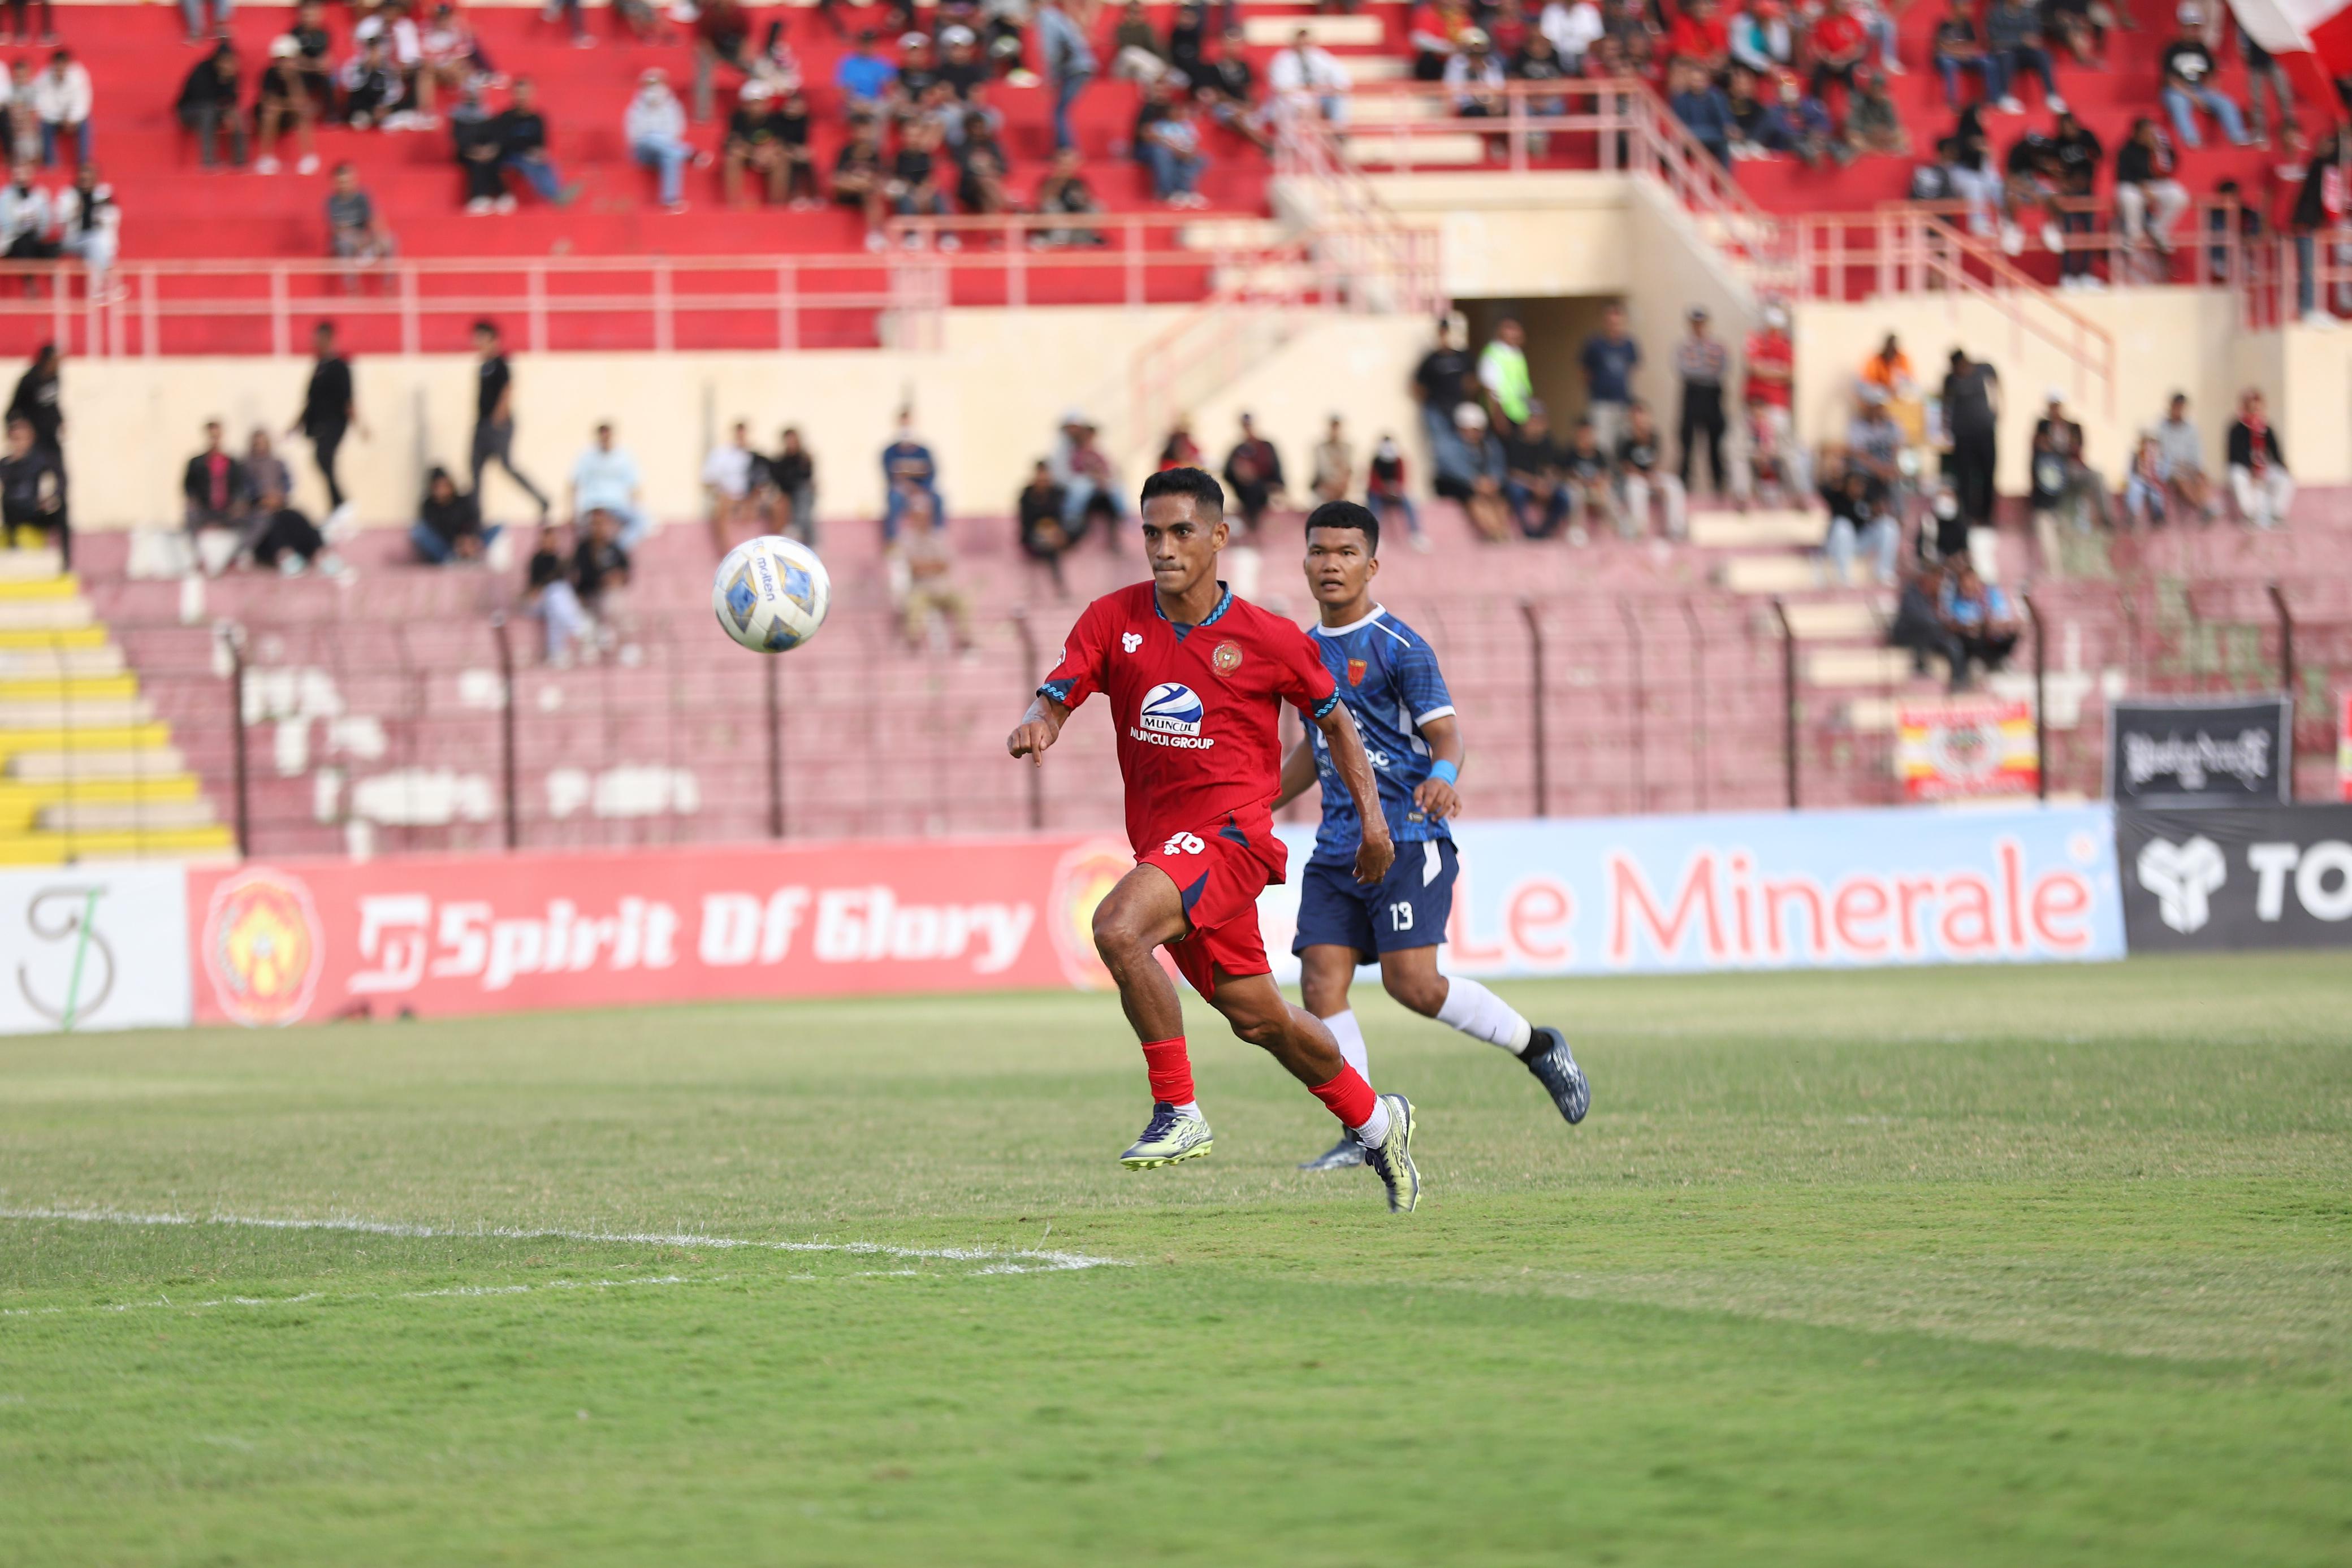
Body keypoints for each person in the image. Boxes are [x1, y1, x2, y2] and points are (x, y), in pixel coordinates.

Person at [1007, 467, 1423, 1211]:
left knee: (1116, 925)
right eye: (1151, 533)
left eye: (1180, 532)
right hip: (1167, 849)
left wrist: (1374, 822)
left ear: (1219, 537)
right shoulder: (1112, 618)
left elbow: (1335, 723)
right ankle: (1375, 1120)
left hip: (1231, 839)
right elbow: (1062, 685)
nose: (1163, 548)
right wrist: (1044, 720)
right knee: (1261, 1018)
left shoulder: (1270, 637)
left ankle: (1179, 1110)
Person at [1271, 500, 1589, 1173]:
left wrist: (1442, 776)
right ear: (1304, 561)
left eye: (1346, 552)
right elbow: (1313, 748)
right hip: (1335, 845)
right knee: (1319, 982)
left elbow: (1446, 732)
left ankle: (1536, 1044)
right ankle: (1365, 1129)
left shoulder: (1399, 647)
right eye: (1318, 551)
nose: (1330, 563)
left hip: (1409, 836)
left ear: (1371, 564)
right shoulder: (1298, 652)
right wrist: (1259, 801)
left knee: (1411, 985)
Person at [468, 320, 548, 519]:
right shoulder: (484, 366)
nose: (477, 342)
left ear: (492, 339)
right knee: (475, 468)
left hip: (497, 425)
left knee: (507, 465)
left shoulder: (500, 363)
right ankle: (476, 515)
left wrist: (498, 417)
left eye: (481, 337)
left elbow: (507, 388)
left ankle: (541, 499)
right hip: (483, 424)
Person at [288, 322, 359, 527]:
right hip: (319, 424)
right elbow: (309, 401)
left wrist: (359, 424)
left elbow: (349, 399)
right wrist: (297, 425)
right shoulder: (319, 367)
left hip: (335, 423)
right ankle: (337, 506)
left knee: (324, 457)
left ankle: (341, 504)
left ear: (328, 338)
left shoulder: (340, 366)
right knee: (322, 461)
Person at [2158, 3, 2248, 150]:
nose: (2193, 31)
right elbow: (2171, 80)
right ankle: (2191, 139)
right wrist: (2194, 97)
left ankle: (2237, 136)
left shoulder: (2203, 49)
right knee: (2177, 102)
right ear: (2182, 27)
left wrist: (2210, 91)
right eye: (2190, 27)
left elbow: (2212, 75)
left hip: (2200, 89)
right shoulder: (2171, 49)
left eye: (2196, 27)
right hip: (2178, 90)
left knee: (2226, 103)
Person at [896, 491, 974, 652]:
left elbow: (945, 565)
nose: (922, 519)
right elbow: (915, 568)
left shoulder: (939, 536)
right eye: (918, 515)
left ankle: (965, 640)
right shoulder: (907, 538)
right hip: (922, 589)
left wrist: (927, 566)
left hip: (942, 588)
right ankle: (913, 641)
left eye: (925, 515)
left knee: (963, 600)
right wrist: (934, 566)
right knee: (914, 603)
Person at [494, 79, 580, 208]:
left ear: (532, 94)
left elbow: (541, 143)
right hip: (510, 157)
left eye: (525, 93)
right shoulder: (505, 118)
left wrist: (540, 152)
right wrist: (525, 150)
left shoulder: (538, 118)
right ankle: (555, 196)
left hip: (531, 155)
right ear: (513, 95)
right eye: (519, 93)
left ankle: (557, 193)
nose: (522, 97)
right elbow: (503, 142)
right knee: (528, 163)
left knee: (546, 161)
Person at [1433, 402, 1512, 542]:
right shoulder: (1448, 444)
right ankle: (1492, 531)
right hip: (1457, 484)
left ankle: (1501, 530)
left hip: (1484, 484)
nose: (1474, 433)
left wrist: (1493, 481)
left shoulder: (1489, 444)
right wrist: (1475, 482)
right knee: (1474, 498)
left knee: (1500, 498)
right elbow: (1452, 468)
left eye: (1477, 430)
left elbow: (1498, 465)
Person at [2115, 116, 2189, 263]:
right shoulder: (2126, 150)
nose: (2149, 134)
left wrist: (2159, 150)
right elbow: (2122, 175)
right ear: (2136, 133)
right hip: (2134, 187)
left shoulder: (2160, 145)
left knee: (2179, 195)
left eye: (2151, 131)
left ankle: (2158, 228)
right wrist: (2141, 185)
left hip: (2157, 185)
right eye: (2146, 132)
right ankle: (2133, 235)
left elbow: (2170, 166)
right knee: (2127, 197)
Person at [1672, 306, 1728, 498]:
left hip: (1712, 395)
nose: (1699, 327)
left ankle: (1719, 483)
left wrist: (1702, 371)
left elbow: (1722, 369)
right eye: (1695, 324)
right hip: (1693, 393)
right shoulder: (1684, 346)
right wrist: (1705, 371)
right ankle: (1684, 482)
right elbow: (1683, 370)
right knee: (1687, 439)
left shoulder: (1717, 346)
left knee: (1715, 441)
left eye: (1701, 323)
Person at [1942, 348, 1999, 529]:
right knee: (1964, 477)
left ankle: (1987, 516)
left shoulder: (1983, 369)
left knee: (1988, 474)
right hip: (1963, 436)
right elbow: (1945, 403)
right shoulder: (1951, 380)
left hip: (1985, 432)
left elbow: (1997, 383)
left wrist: (1998, 406)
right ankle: (1967, 516)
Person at [626, 68, 698, 213]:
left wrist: (663, 142)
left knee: (671, 155)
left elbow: (676, 131)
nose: (654, 88)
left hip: (667, 150)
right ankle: (688, 151)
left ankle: (670, 200)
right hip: (644, 152)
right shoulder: (636, 107)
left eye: (657, 83)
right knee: (652, 138)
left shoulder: (672, 106)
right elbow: (635, 138)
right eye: (650, 84)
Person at [568, 422, 649, 549]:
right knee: (581, 533)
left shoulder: (624, 456)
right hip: (593, 505)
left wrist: (635, 507)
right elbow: (574, 484)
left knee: (642, 522)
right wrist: (573, 511)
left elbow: (634, 486)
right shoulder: (587, 456)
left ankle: (616, 550)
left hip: (617, 506)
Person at [1938, 559, 2019, 683]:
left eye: (1972, 580)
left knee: (2011, 632)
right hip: (1966, 639)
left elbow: (2003, 617)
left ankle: (1996, 661)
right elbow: (1950, 621)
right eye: (1966, 581)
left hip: (1988, 636)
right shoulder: (1953, 597)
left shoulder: (1989, 595)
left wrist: (1990, 624)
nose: (1970, 584)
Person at [1822, 456, 1899, 585]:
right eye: (1855, 483)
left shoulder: (1867, 498)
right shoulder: (1837, 495)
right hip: (1836, 545)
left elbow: (1875, 514)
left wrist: (1877, 514)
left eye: (1862, 484)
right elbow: (1824, 488)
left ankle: (1884, 572)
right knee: (1843, 526)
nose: (1858, 487)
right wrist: (1835, 475)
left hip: (1859, 543)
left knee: (1889, 525)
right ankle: (1843, 576)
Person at [1615, 399, 1684, 539]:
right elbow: (1627, 468)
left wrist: (1655, 480)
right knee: (1635, 486)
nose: (1640, 421)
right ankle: (1638, 530)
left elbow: (1655, 463)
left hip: (1650, 477)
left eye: (1643, 417)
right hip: (1634, 479)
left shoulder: (1654, 437)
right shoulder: (1625, 440)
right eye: (1636, 418)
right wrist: (1646, 478)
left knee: (1673, 483)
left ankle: (1676, 529)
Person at [247, 480, 346, 578]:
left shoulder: (291, 514)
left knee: (301, 521)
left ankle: (322, 556)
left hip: (300, 550)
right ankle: (287, 558)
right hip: (270, 552)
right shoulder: (258, 518)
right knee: (274, 524)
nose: (273, 498)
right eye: (269, 496)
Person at [1887, 557, 1962, 685]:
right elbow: (1916, 617)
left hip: (1933, 634)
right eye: (1937, 578)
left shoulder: (1940, 595)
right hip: (1908, 634)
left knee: (1954, 645)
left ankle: (1958, 681)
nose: (1940, 582)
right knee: (1927, 627)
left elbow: (1946, 616)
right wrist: (1941, 623)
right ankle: (1920, 664)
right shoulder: (1911, 592)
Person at [1502, 401, 1570, 537]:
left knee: (1564, 496)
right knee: (1515, 491)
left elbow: (1553, 469)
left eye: (1539, 420)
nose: (1536, 424)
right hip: (1525, 484)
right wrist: (1535, 484)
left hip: (1542, 485)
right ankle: (1527, 531)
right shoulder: (1514, 442)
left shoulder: (1548, 442)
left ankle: (1545, 531)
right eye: (1532, 420)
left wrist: (1547, 484)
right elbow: (1512, 472)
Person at [2226, 388, 2292, 527]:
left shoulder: (2265, 427)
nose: (2254, 409)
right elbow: (2234, 454)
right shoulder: (2236, 428)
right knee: (2238, 478)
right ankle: (2250, 515)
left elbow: (2275, 451)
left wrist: (2282, 465)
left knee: (2284, 478)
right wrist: (2251, 470)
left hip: (2263, 468)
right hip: (2244, 468)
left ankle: (2276, 515)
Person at [1049, 409, 1122, 537]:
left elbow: (1108, 469)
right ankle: (1072, 518)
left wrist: (1100, 479)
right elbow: (1064, 475)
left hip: (1095, 486)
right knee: (1081, 487)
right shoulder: (1064, 449)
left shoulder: (1093, 449)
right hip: (1070, 488)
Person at [177, 42, 248, 168]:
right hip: (190, 111)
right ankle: (209, 161)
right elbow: (202, 98)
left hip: (217, 110)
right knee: (208, 112)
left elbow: (233, 99)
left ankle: (240, 161)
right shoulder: (202, 70)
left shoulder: (232, 74)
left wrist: (228, 112)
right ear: (218, 61)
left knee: (236, 114)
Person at [1579, 302, 1639, 452]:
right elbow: (1584, 371)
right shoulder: (1595, 345)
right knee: (1604, 444)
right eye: (1610, 321)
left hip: (1623, 402)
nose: (1614, 325)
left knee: (1624, 442)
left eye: (1617, 321)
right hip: (1601, 402)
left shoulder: (1629, 345)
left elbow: (1632, 370)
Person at [1037, 0, 1096, 153]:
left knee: (1059, 111)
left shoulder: (1046, 18)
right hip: (1079, 66)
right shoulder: (1057, 16)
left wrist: (1050, 77)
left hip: (1075, 69)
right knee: (1060, 109)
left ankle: (1067, 149)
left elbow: (1052, 52)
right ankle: (1062, 147)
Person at [1983, 0, 2062, 114]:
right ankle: (2005, 96)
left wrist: (2015, 40)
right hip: (2004, 54)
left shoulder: (2028, 13)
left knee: (2042, 55)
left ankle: (2051, 95)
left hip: (2024, 53)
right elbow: (1995, 40)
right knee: (2007, 55)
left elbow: (2034, 37)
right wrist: (2020, 40)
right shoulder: (1996, 13)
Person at [0, 414, 60, 559]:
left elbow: (57, 479)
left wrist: (50, 498)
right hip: (11, 515)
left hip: (31, 513)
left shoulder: (38, 462)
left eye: (23, 439)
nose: (19, 443)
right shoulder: (5, 464)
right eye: (15, 438)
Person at [411, 465, 500, 564]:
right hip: (449, 547)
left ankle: (475, 557)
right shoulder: (429, 506)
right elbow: (435, 531)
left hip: (469, 542)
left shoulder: (462, 501)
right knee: (419, 531)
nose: (441, 490)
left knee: (498, 528)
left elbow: (474, 521)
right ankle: (451, 560)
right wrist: (457, 543)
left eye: (444, 485)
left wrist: (468, 539)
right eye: (438, 487)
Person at [880, 411, 942, 544]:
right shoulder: (890, 452)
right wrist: (909, 488)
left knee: (937, 498)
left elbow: (931, 474)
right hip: (901, 492)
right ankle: (892, 540)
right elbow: (891, 476)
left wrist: (920, 491)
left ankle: (938, 535)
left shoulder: (924, 451)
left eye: (909, 424)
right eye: (904, 424)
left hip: (922, 490)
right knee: (893, 498)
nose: (906, 428)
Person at [2154, 391, 2216, 521]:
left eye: (2181, 408)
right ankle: (2203, 508)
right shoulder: (2161, 428)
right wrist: (2178, 466)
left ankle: (2208, 505)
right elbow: (2159, 455)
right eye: (2176, 407)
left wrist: (2196, 469)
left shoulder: (2192, 429)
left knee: (2202, 477)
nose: (2179, 411)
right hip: (2169, 469)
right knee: (2181, 479)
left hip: (2188, 467)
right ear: (2171, 407)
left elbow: (2196, 455)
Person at [181, 419, 247, 542]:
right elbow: (188, 486)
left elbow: (240, 487)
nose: (214, 440)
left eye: (217, 437)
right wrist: (193, 501)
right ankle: (198, 555)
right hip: (204, 510)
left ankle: (241, 554)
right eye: (211, 437)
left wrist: (238, 504)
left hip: (228, 511)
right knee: (190, 515)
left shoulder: (233, 463)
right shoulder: (196, 463)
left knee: (256, 519)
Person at [702, 419, 761, 554]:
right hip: (727, 496)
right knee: (723, 505)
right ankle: (727, 552)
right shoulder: (721, 454)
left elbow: (761, 480)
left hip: (749, 498)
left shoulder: (754, 456)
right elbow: (709, 480)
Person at [1222, 413, 1286, 535]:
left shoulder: (1266, 446)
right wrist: (1239, 474)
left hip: (1267, 490)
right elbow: (1228, 473)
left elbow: (1277, 470)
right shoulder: (1237, 450)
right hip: (1246, 492)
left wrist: (1277, 487)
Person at [1018, 458, 1075, 592]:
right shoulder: (1027, 495)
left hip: (1056, 533)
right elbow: (1026, 523)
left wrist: (1058, 531)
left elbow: (1065, 515)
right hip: (1035, 536)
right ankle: (1058, 584)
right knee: (1049, 545)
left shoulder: (1058, 492)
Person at [325, 163, 395, 268]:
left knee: (389, 240)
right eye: (342, 182)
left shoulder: (362, 198)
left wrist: (377, 235)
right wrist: (359, 240)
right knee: (344, 245)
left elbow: (372, 218)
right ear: (335, 182)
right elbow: (338, 229)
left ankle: (389, 281)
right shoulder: (332, 202)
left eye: (347, 181)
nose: (345, 185)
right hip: (346, 239)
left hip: (365, 237)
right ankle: (351, 284)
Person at [1364, 432, 1426, 550]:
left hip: (1395, 494)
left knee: (1409, 503)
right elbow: (1373, 482)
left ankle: (1416, 534)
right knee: (1374, 506)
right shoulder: (1375, 461)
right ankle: (1374, 536)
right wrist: (1384, 489)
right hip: (1378, 494)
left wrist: (1395, 489)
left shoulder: (1399, 461)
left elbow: (1402, 480)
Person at [1142, 94, 1207, 207]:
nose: (1177, 113)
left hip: (1185, 152)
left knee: (1201, 159)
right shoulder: (1160, 125)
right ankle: (1166, 192)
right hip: (1170, 152)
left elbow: (1194, 142)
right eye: (1173, 111)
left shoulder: (1187, 125)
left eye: (1178, 110)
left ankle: (1185, 191)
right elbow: (1156, 140)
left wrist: (1189, 152)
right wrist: (1176, 151)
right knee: (1162, 154)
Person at [30, 48, 90, 168]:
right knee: (44, 126)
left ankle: (83, 162)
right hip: (52, 117)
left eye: (63, 66)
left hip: (72, 118)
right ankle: (50, 162)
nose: (60, 70)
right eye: (57, 67)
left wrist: (72, 118)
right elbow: (40, 99)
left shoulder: (79, 76)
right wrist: (58, 117)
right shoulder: (45, 76)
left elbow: (82, 100)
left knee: (85, 123)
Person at [53, 164, 113, 281]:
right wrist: (74, 212)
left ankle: (98, 287)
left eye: (88, 178)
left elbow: (111, 219)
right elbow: (58, 221)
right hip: (72, 239)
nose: (85, 181)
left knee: (97, 243)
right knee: (97, 243)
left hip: (96, 239)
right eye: (83, 178)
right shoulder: (68, 195)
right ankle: (105, 284)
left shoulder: (103, 195)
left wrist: (100, 216)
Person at [1477, 315, 1533, 435]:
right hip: (1503, 412)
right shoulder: (1494, 353)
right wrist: (1498, 417)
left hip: (1518, 413)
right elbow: (1490, 387)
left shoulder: (1516, 353)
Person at [1931, 0, 1987, 108]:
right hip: (1949, 58)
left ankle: (1991, 100)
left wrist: (1962, 51)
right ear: (1955, 8)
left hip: (1965, 57)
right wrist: (1959, 52)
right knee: (1948, 63)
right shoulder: (1944, 25)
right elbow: (1941, 47)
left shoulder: (1968, 25)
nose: (1968, 9)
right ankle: (1952, 101)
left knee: (1986, 62)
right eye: (1965, 6)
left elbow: (1972, 45)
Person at [767, 425, 816, 545]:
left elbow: (807, 479)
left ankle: (798, 530)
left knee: (803, 500)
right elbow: (777, 481)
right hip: (786, 494)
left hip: (801, 493)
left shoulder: (804, 458)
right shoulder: (781, 460)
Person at [1309, 415, 1353, 504]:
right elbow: (1322, 470)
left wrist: (1342, 485)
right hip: (1325, 492)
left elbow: (1349, 470)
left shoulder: (1347, 448)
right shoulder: (1321, 448)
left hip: (1342, 491)